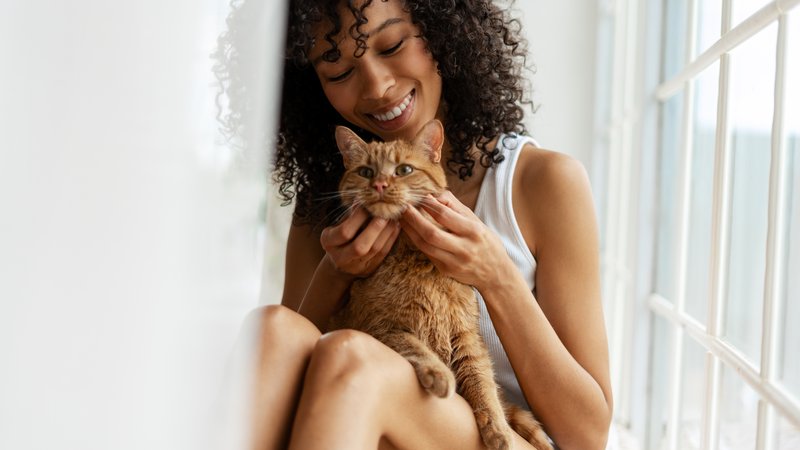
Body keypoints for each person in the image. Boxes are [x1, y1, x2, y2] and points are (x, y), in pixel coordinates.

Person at [227, 0, 613, 448]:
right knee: (271, 328)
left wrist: (497, 275)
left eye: (391, 45)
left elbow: (588, 436)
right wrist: (336, 272)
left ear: (443, 33)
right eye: (338, 73)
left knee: (352, 358)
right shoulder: (329, 202)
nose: (377, 86)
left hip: (501, 436)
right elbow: (287, 379)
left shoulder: (542, 183)